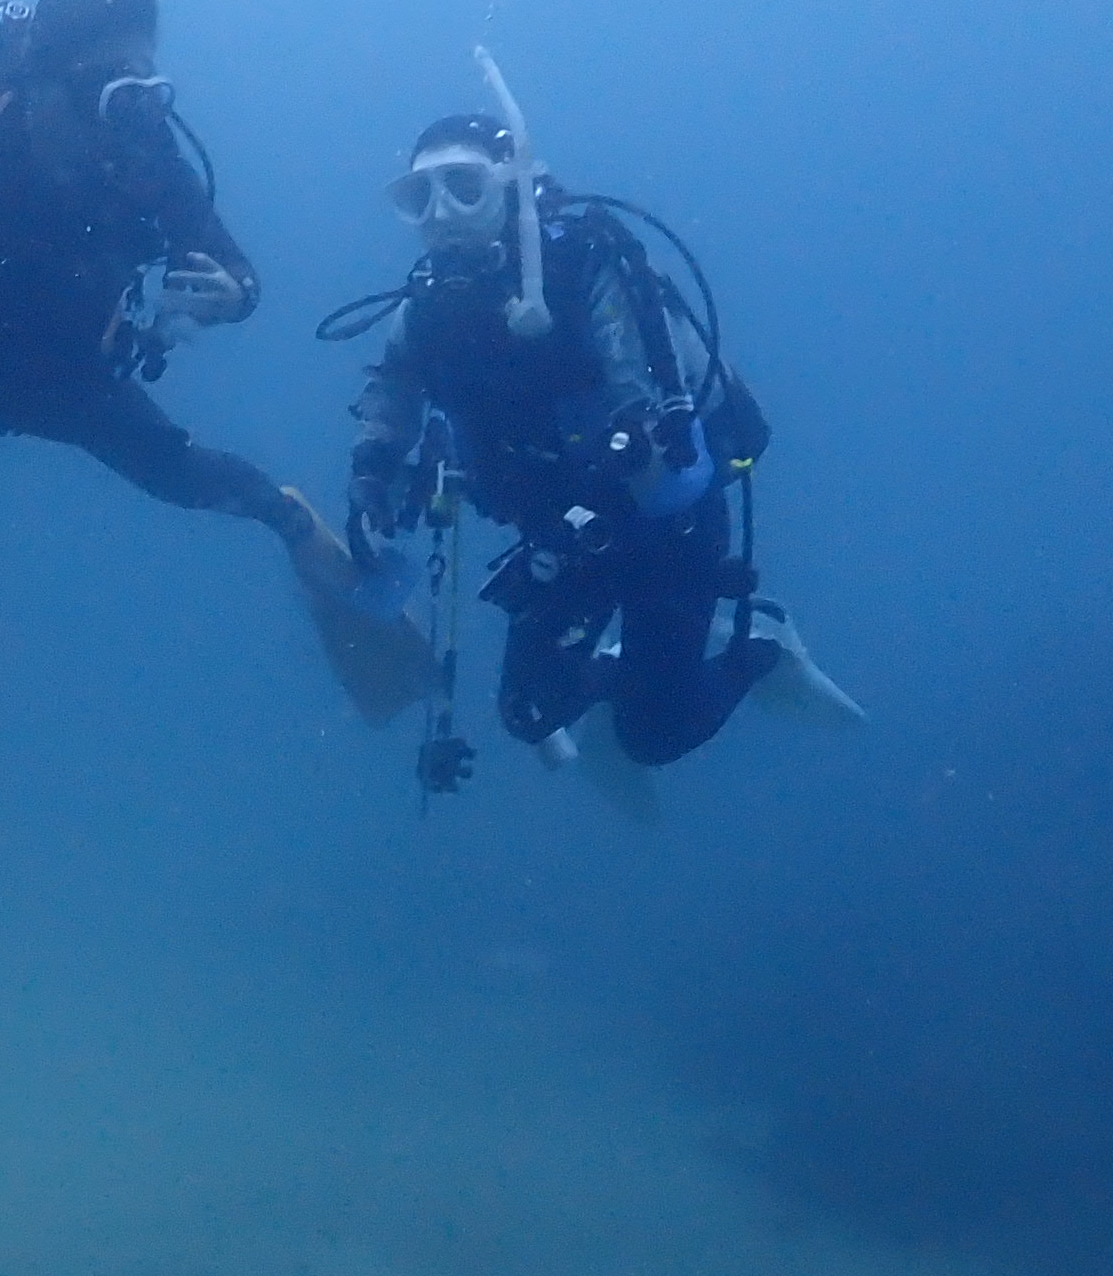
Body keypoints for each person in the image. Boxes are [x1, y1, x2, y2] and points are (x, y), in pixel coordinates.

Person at [0, 0, 421, 720]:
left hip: (78, 377)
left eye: (141, 85)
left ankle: (300, 536)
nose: (124, 111)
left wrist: (235, 295)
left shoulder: (145, 155)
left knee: (205, 481)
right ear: (39, 80)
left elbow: (235, 267)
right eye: (105, 85)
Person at [336, 95, 861, 786]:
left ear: (511, 187)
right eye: (416, 195)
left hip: (666, 524)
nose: (437, 213)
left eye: (463, 187)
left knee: (654, 736)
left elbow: (638, 403)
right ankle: (619, 667)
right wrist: (373, 469)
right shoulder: (430, 305)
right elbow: (394, 384)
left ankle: (761, 649)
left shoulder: (586, 268)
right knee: (527, 713)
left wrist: (619, 457)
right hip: (564, 540)